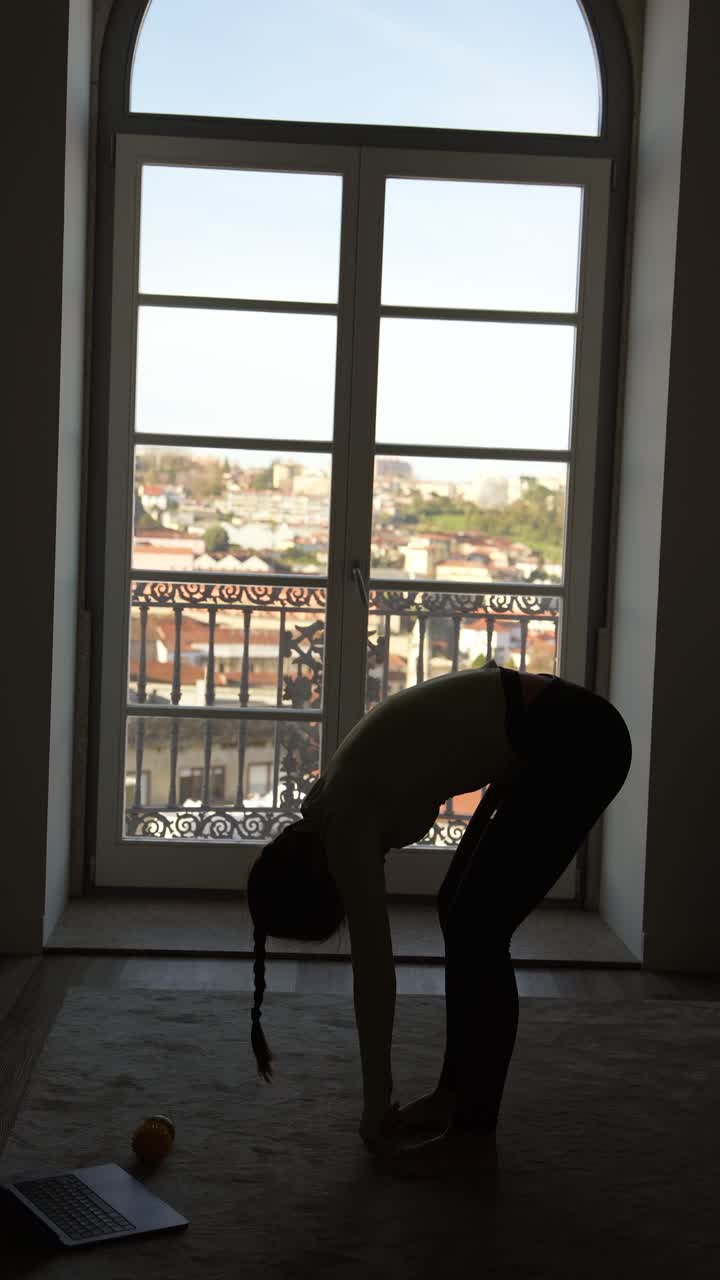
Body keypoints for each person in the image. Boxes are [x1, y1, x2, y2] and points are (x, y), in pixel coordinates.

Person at [246, 658, 632, 1180]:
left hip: (579, 740)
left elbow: (374, 975)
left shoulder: (346, 823)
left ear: (315, 883)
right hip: (539, 735)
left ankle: (474, 1131)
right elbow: (467, 744)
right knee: (458, 908)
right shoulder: (327, 805)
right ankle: (454, 1093)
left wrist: (374, 1106)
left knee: (480, 929)